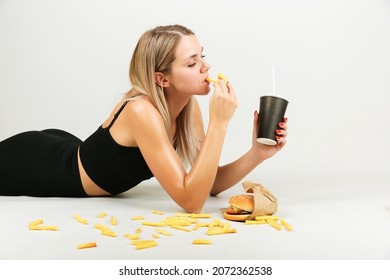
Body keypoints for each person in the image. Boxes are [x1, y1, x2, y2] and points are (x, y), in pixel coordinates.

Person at [0, 24, 288, 213]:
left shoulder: (189, 108)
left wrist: (257, 153)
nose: (206, 66)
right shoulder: (141, 111)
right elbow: (192, 202)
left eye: (202, 55)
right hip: (44, 165)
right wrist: (220, 123)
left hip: (66, 144)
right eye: (192, 62)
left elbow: (207, 184)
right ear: (162, 79)